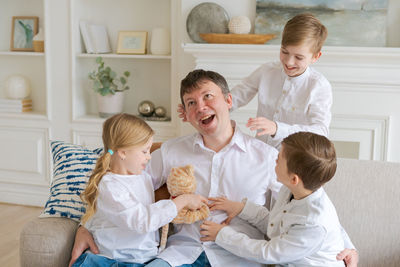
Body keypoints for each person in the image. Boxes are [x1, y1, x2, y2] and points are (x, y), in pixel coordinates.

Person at [70, 70, 358, 267]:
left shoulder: (268, 157)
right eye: (191, 103)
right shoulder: (169, 151)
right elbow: (122, 187)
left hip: (241, 258)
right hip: (181, 255)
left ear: (229, 101)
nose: (201, 107)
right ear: (186, 114)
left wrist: (347, 245)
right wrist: (86, 226)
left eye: (208, 97)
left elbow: (311, 200)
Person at [178, 13, 332, 150]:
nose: (289, 61)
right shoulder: (267, 71)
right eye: (284, 52)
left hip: (295, 160)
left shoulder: (318, 86)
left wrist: (277, 128)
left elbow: (321, 131)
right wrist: (199, 111)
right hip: (261, 154)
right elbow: (235, 98)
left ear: (315, 57)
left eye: (299, 57)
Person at [71, 113, 207, 267]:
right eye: (144, 151)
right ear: (123, 152)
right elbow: (141, 221)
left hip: (143, 258)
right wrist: (182, 202)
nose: (149, 157)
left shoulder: (143, 177)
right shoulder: (110, 185)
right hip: (110, 259)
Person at [200, 132, 355, 266]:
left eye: (279, 158)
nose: (275, 158)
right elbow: (276, 226)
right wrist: (241, 208)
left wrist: (222, 234)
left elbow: (267, 252)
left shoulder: (312, 223)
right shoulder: (292, 190)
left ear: (294, 179)